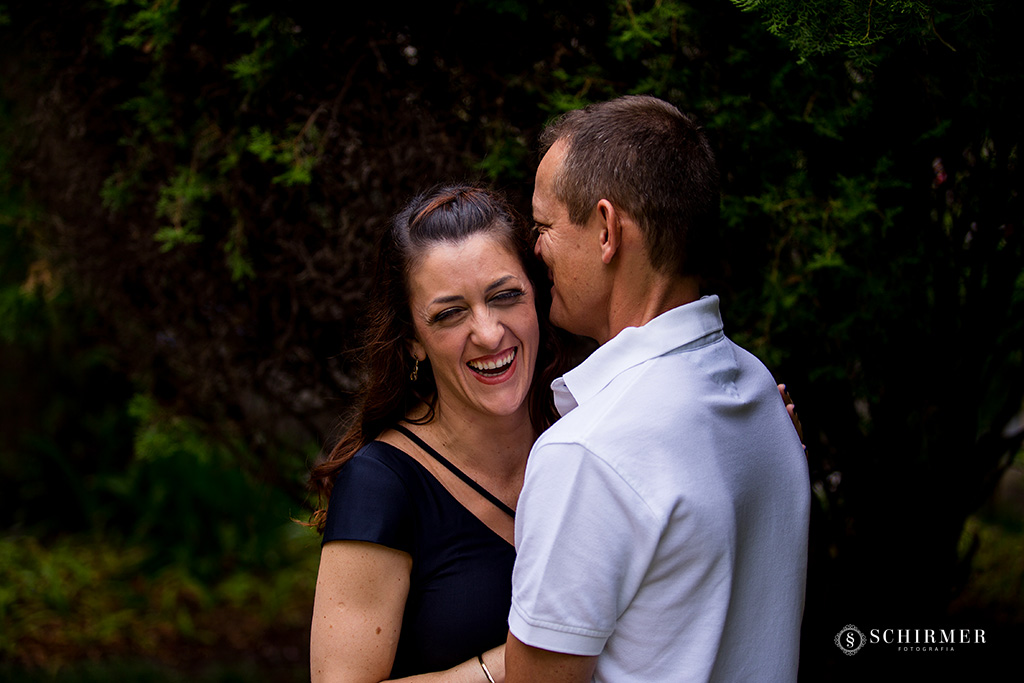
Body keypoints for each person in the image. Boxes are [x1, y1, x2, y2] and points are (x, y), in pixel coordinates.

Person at [505, 95, 811, 682]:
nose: (535, 248)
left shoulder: (589, 453)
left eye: (544, 226)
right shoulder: (760, 392)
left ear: (606, 231)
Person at [308, 184, 568, 682]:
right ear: (412, 343)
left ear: (536, 297)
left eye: (505, 296)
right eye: (450, 314)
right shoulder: (381, 485)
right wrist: (513, 667)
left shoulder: (589, 434)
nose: (489, 333)